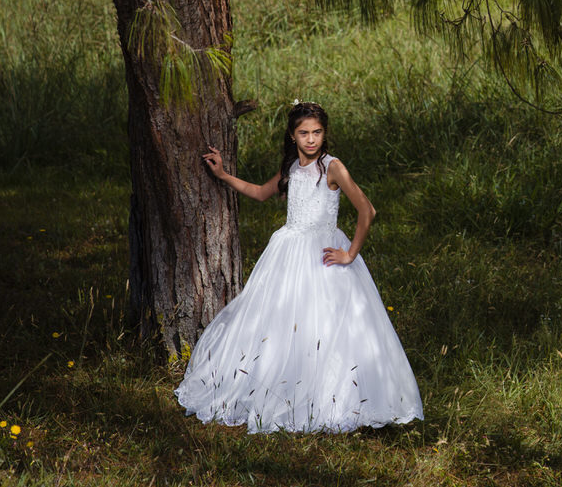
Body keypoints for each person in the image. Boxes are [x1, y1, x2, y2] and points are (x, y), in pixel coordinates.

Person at [174, 101, 423, 433]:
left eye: (317, 133)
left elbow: (367, 210)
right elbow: (262, 193)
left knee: (327, 325)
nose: (311, 139)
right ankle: (280, 385)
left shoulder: (333, 167)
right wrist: (222, 175)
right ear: (292, 135)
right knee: (281, 321)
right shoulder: (291, 168)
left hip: (322, 253)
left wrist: (349, 253)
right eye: (304, 133)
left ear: (324, 134)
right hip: (288, 251)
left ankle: (333, 394)